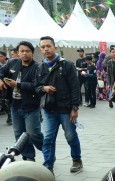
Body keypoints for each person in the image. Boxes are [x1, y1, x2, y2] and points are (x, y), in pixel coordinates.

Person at [35, 36, 82, 173]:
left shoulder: (66, 65)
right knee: (48, 139)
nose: (46, 49)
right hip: (49, 110)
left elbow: (75, 87)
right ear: (40, 49)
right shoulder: (40, 67)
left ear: (55, 47)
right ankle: (48, 166)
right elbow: (36, 87)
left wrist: (75, 108)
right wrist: (44, 88)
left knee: (71, 136)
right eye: (43, 47)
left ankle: (77, 160)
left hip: (66, 110)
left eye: (48, 46)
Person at [0, 41, 43, 162]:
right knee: (19, 135)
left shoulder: (37, 67)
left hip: (31, 107)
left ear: (32, 53)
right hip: (15, 106)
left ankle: (47, 151)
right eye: (22, 51)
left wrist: (17, 84)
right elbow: (0, 71)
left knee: (34, 134)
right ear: (18, 53)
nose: (25, 53)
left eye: (27, 51)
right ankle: (29, 158)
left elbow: (36, 86)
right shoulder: (12, 62)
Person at [0, 50, 12, 125]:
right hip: (0, 86)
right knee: (1, 102)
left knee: (8, 101)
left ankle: (10, 116)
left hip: (9, 85)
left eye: (1, 56)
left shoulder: (9, 64)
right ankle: (9, 114)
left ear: (5, 57)